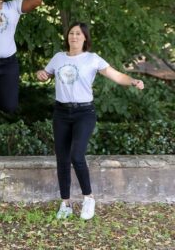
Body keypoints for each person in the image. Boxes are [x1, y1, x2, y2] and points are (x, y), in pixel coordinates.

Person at [36, 22, 145, 220]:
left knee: (76, 155)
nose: (74, 36)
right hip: (61, 113)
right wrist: (40, 75)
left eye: (78, 34)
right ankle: (66, 204)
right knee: (62, 159)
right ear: (67, 37)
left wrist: (133, 81)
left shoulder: (92, 59)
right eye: (71, 33)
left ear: (85, 38)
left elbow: (117, 75)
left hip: (84, 113)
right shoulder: (58, 58)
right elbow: (44, 75)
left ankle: (89, 198)